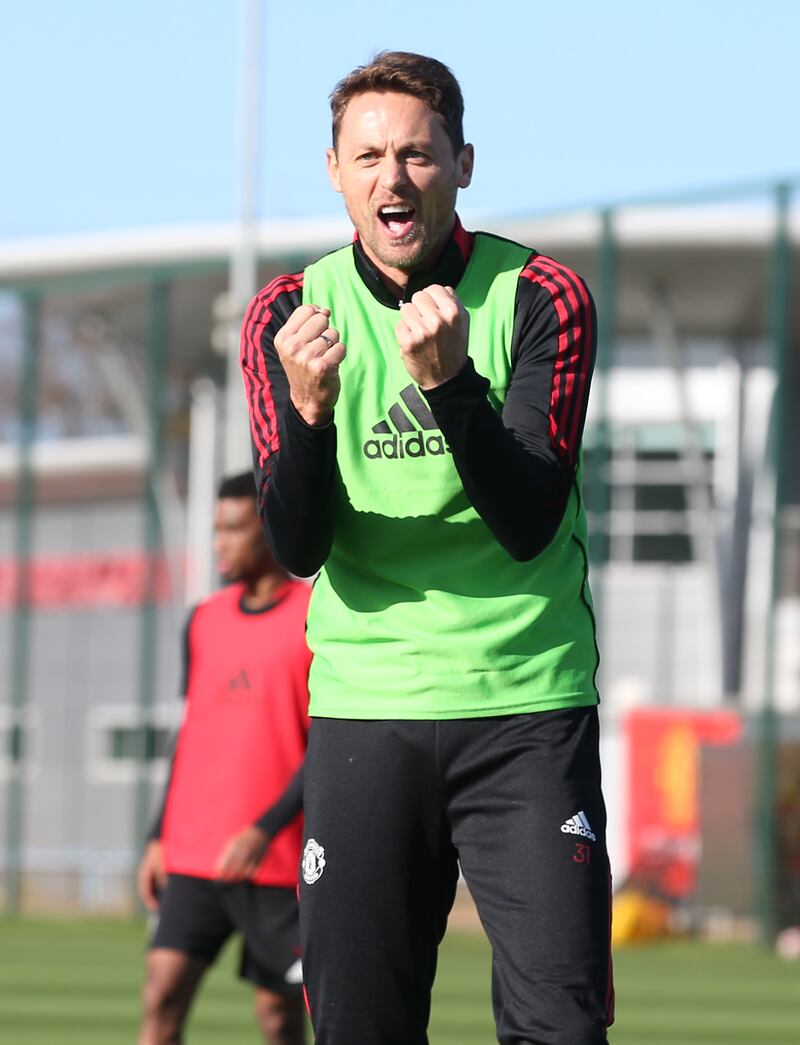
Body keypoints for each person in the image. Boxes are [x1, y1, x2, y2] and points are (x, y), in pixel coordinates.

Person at [240, 51, 613, 1045]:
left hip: (525, 710)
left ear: (462, 163)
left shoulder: (539, 296)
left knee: (560, 1030)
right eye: (367, 156)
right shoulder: (287, 316)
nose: (391, 178)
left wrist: (452, 388)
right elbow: (296, 546)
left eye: (415, 153)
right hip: (366, 713)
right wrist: (310, 417)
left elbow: (530, 518)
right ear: (333, 171)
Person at [136, 472, 310, 1045]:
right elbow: (191, 734)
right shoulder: (203, 619)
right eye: (216, 529)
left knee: (280, 1018)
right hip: (193, 853)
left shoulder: (316, 617)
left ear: (268, 529)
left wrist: (264, 829)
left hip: (278, 860)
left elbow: (328, 748)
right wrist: (158, 835)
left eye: (233, 529)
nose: (220, 543)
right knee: (160, 998)